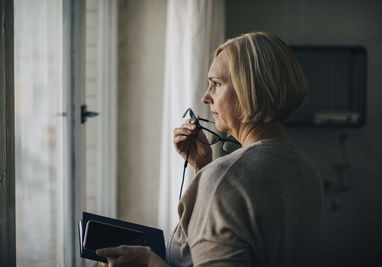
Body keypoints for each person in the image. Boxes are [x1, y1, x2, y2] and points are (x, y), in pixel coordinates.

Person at [96, 32, 322, 267]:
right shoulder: (306, 168)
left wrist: (147, 261)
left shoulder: (225, 179)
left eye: (216, 83)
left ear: (250, 88)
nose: (205, 97)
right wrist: (202, 167)